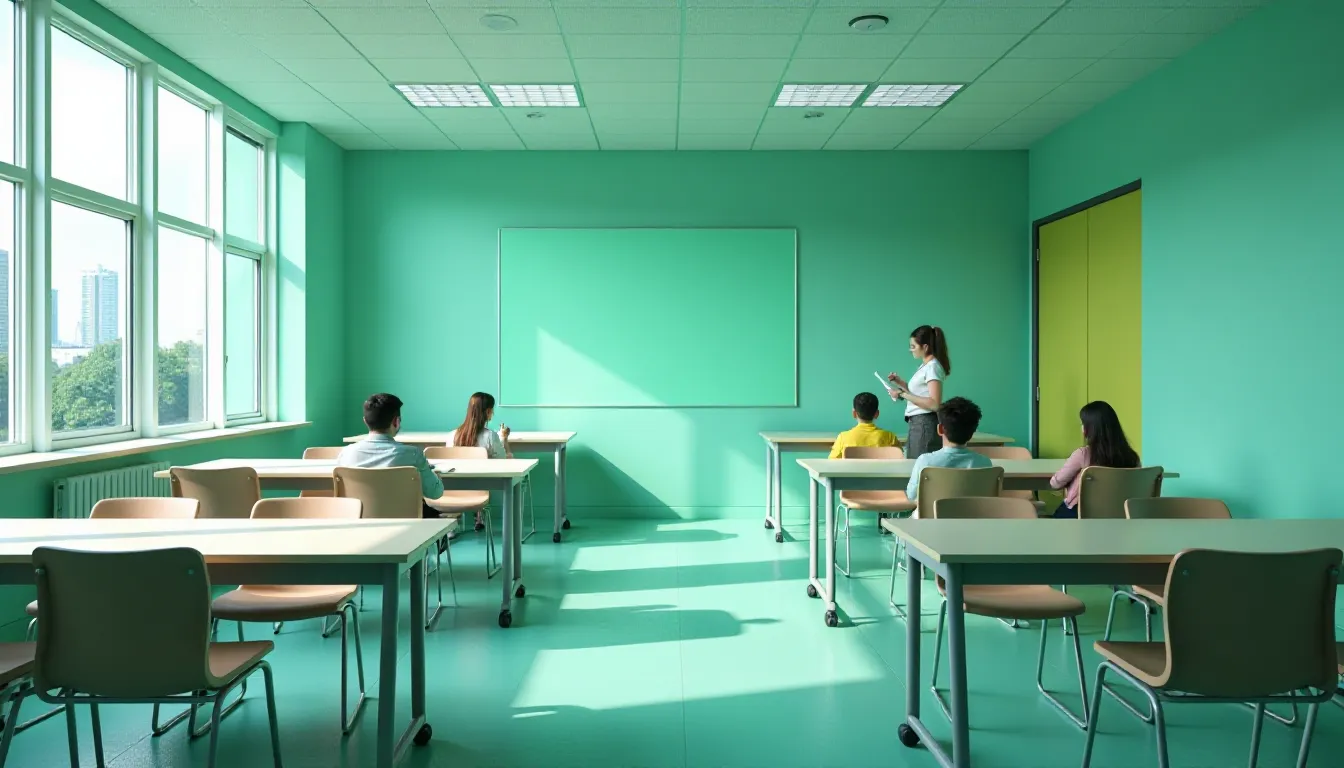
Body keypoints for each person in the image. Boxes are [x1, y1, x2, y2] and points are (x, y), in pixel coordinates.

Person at [337, 393, 445, 518]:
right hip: (406, 521)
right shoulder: (412, 454)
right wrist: (436, 477)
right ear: (396, 421)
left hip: (359, 520)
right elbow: (435, 493)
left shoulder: (346, 454)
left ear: (365, 421)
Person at [1049, 401, 1140, 519]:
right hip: (1120, 517)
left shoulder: (1083, 454)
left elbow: (1055, 483)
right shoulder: (1133, 458)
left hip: (1082, 517)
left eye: (1083, 423)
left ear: (1089, 428)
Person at [905, 397, 992, 511]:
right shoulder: (985, 463)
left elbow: (911, 495)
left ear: (940, 429)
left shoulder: (925, 461)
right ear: (973, 432)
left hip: (931, 523)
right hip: (972, 521)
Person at [887, 325, 951, 459]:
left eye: (913, 346)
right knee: (913, 464)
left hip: (924, 424)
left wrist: (901, 394)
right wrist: (900, 383)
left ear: (925, 347)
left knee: (918, 467)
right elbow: (919, 394)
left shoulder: (932, 367)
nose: (910, 350)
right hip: (918, 423)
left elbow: (934, 404)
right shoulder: (926, 366)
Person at [829, 392, 900, 459]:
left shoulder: (843, 437)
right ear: (877, 414)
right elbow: (900, 461)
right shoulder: (890, 437)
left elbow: (832, 463)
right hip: (880, 471)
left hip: (853, 472)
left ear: (854, 413)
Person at [448, 392, 510, 459]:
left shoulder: (452, 435)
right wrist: (504, 439)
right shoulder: (490, 436)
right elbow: (503, 460)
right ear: (488, 412)